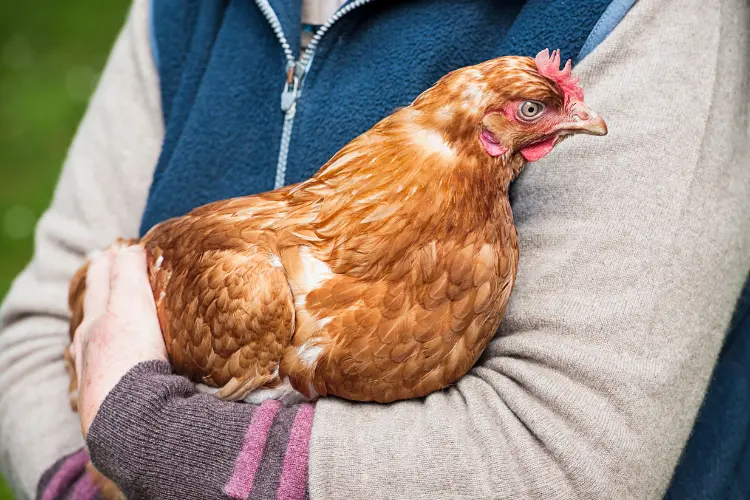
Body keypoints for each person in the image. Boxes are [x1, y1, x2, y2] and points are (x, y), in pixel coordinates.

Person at [1, 0, 748, 498]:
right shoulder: (185, 10)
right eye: (533, 107)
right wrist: (87, 481)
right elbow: (39, 327)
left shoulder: (649, 15)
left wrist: (149, 436)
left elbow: (560, 460)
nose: (576, 116)